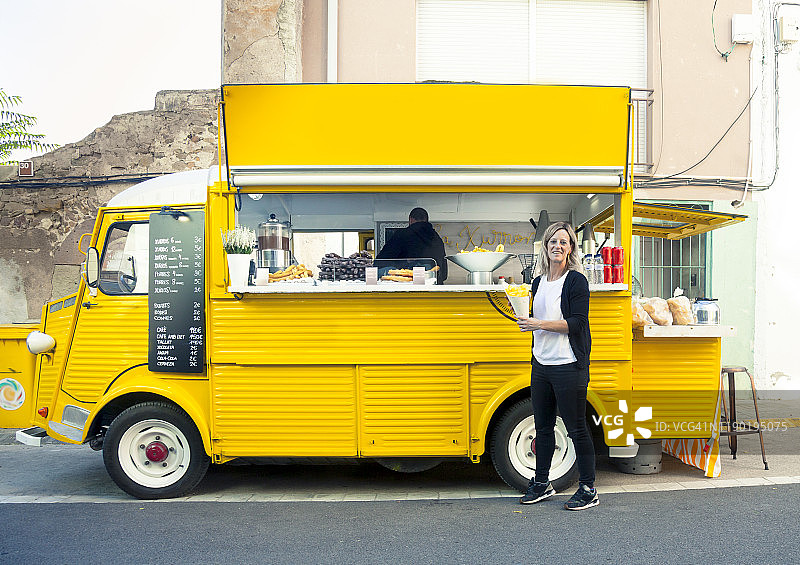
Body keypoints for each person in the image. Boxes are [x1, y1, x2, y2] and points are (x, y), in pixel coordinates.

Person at [515, 221, 597, 510]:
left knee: (576, 428)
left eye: (564, 242)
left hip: (568, 365)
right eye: (553, 242)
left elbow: (578, 323)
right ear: (545, 248)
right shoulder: (537, 283)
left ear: (571, 248)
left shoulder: (576, 281)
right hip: (542, 364)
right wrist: (527, 321)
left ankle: (588, 488)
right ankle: (541, 483)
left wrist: (540, 324)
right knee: (543, 427)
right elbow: (535, 320)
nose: (558, 247)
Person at [375, 207, 448, 284]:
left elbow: (380, 262)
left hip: (409, 290)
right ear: (427, 219)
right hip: (435, 289)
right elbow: (444, 274)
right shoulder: (437, 239)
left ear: (410, 219)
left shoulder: (402, 235)